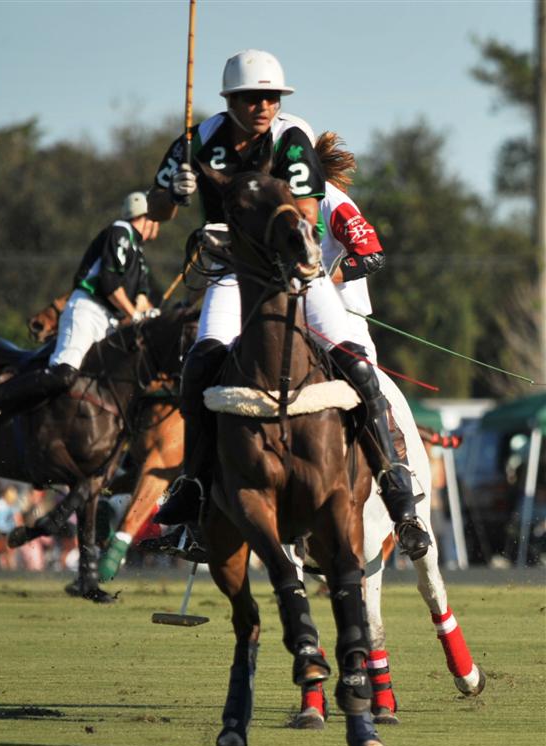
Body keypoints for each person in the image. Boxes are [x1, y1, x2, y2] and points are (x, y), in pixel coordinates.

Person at [148, 49, 430, 561]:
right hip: (232, 275)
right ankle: (195, 487)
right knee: (200, 364)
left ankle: (396, 486)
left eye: (272, 97)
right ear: (230, 100)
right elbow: (157, 210)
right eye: (251, 98)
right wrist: (174, 190)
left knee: (356, 365)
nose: (263, 106)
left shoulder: (291, 138)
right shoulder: (197, 142)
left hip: (297, 272)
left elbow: (304, 213)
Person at [0, 191, 159, 447]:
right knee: (64, 373)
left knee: (113, 383)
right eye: (157, 218)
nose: (159, 225)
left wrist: (151, 315)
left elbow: (141, 299)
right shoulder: (120, 232)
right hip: (88, 310)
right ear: (146, 216)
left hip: (108, 321)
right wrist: (134, 314)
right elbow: (110, 284)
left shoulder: (138, 253)